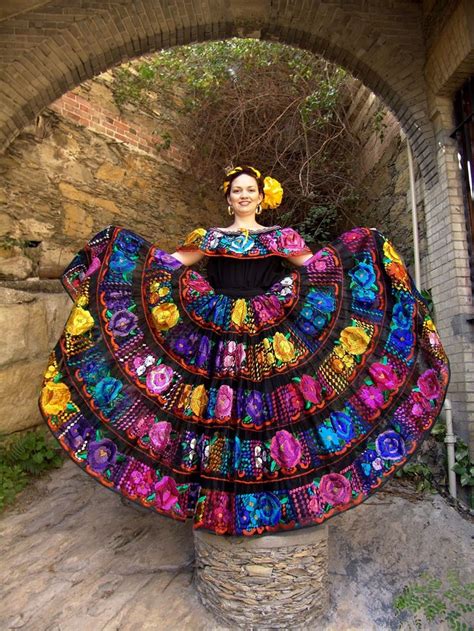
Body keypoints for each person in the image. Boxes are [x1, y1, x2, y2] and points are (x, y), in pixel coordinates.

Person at [39, 165, 450, 536]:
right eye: (237, 190)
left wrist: (361, 249)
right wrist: (126, 254)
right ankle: (218, 506)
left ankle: (267, 508)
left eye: (250, 189)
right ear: (228, 196)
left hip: (267, 328)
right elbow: (171, 262)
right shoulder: (210, 237)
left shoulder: (280, 238)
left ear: (261, 196)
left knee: (267, 411)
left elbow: (315, 267)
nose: (243, 195)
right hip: (216, 329)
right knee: (218, 413)